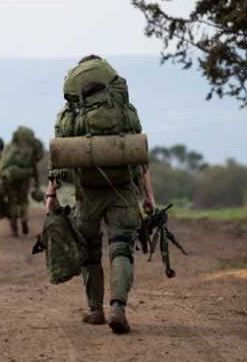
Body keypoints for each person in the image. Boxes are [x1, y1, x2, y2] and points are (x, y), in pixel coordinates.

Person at [45, 55, 156, 334]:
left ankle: (95, 310)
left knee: (90, 252)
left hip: (87, 195)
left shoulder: (68, 116)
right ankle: (118, 307)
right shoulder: (126, 111)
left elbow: (58, 162)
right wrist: (149, 196)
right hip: (123, 191)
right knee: (121, 247)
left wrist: (51, 194)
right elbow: (140, 158)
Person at [0, 126, 43, 237]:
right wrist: (37, 183)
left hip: (11, 178)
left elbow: (2, 166)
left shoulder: (9, 148)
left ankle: (14, 228)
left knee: (13, 200)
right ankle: (24, 219)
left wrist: (2, 176)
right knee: (23, 199)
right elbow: (34, 166)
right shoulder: (30, 149)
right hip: (25, 177)